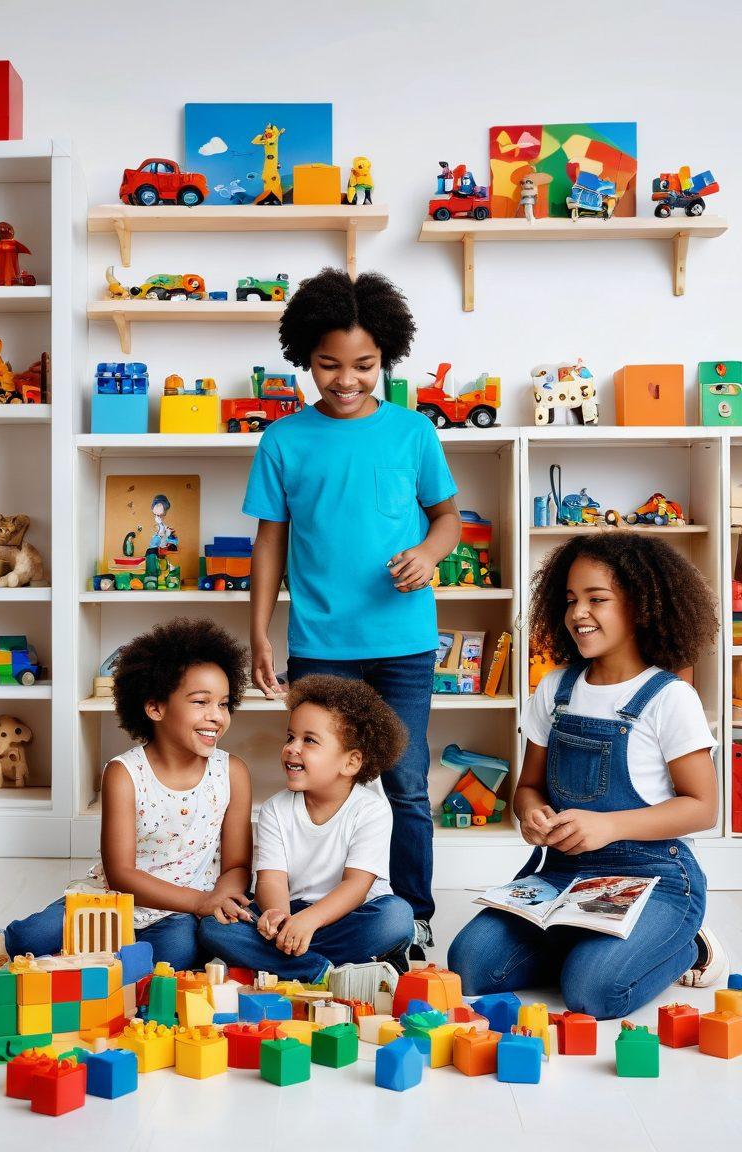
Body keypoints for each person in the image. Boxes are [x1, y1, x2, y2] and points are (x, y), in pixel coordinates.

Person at [242, 267, 462, 958]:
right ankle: (311, 905)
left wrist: (430, 552)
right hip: (321, 642)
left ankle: (411, 914)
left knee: (403, 781)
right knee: (319, 778)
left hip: (402, 640)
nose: (346, 380)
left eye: (364, 366)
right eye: (328, 365)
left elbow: (448, 517)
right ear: (304, 358)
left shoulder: (413, 432)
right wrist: (258, 631)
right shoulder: (283, 441)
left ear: (386, 360)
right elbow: (270, 539)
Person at [448, 532, 724, 1018]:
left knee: (592, 993)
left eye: (598, 599)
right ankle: (588, 940)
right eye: (571, 599)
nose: (578, 613)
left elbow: (703, 807)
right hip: (563, 873)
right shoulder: (556, 689)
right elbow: (527, 787)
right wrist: (531, 814)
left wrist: (610, 826)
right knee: (469, 965)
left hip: (653, 875)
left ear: (641, 606)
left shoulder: (669, 697)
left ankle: (689, 943)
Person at [0, 619, 254, 970]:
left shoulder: (232, 773)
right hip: (114, 898)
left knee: (177, 955)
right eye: (201, 702)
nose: (216, 716)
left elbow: (237, 865)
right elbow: (121, 873)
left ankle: (106, 958)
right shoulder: (124, 774)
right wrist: (201, 902)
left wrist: (216, 897)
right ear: (155, 708)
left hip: (181, 907)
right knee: (33, 937)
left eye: (224, 704)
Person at [198, 674, 415, 979]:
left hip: (348, 916)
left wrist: (310, 922)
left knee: (397, 916)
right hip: (292, 912)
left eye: (309, 740)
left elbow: (356, 887)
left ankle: (288, 964)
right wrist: (278, 916)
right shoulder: (276, 808)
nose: (292, 748)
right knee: (213, 927)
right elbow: (271, 880)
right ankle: (320, 970)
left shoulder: (371, 809)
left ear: (351, 763)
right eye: (290, 737)